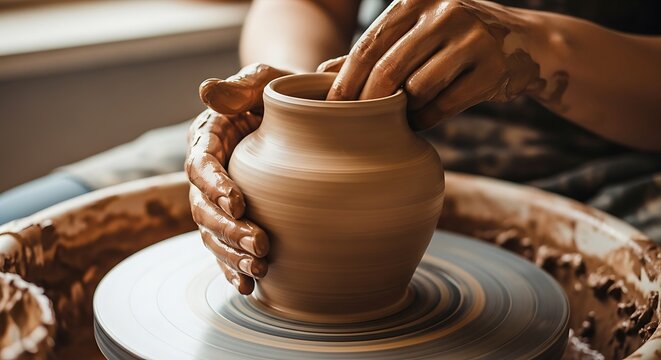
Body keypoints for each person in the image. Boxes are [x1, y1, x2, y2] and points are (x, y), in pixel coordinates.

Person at [2, 0, 660, 295]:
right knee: (16, 238)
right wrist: (284, 99)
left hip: (600, 151)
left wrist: (542, 49)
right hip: (339, 119)